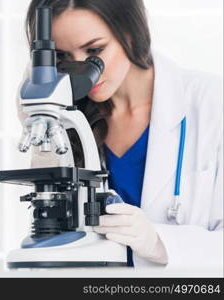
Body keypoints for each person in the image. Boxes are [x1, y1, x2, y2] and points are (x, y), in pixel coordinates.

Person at [20, 0, 223, 268]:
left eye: (94, 50)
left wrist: (160, 242)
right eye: (62, 57)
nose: (80, 70)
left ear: (131, 34)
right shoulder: (67, 118)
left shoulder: (211, 102)